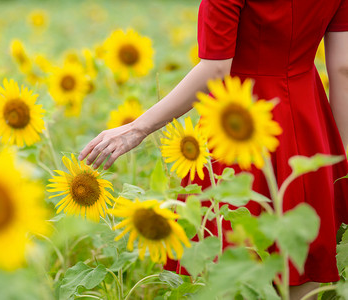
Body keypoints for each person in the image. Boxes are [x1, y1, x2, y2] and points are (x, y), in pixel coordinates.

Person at [78, 0, 348, 299]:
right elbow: (343, 68)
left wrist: (137, 128)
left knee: (228, 263)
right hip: (308, 119)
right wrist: (337, 155)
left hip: (238, 124)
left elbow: (216, 68)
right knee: (301, 263)